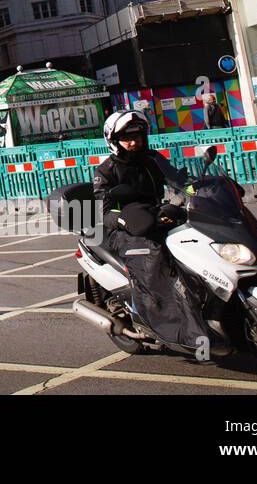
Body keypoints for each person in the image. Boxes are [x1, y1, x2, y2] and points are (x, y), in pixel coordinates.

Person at [91, 109, 215, 353]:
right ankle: (179, 330)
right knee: (157, 258)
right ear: (114, 141)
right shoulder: (106, 172)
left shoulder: (153, 160)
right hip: (126, 230)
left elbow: (179, 183)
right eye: (128, 138)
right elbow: (102, 211)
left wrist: (201, 192)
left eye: (138, 136)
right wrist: (125, 221)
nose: (134, 142)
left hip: (157, 217)